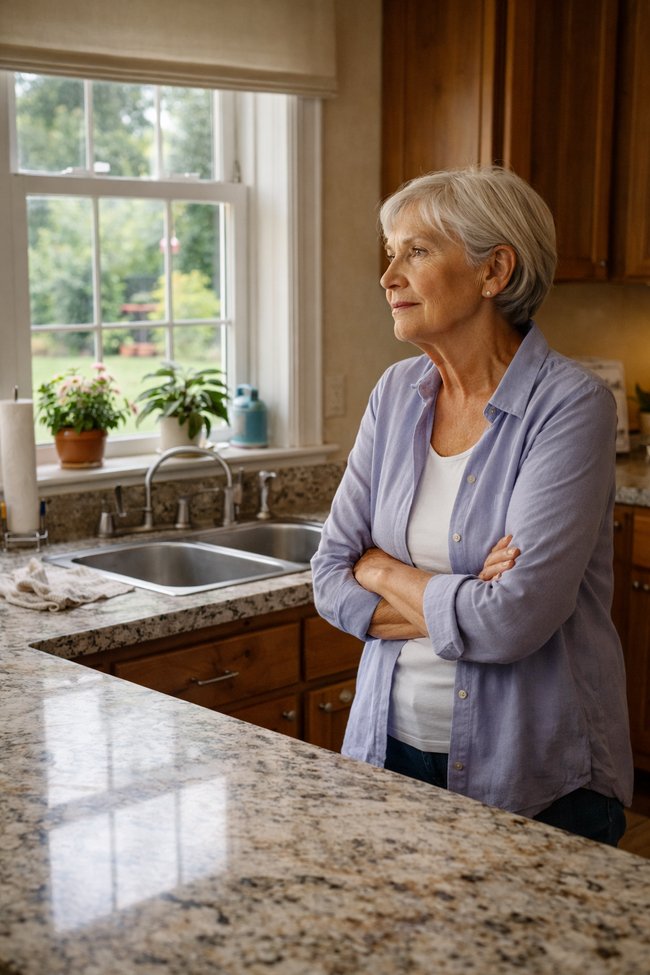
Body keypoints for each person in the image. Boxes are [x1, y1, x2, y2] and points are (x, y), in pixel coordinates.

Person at [311, 165, 633, 846]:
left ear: (495, 272)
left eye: (416, 251)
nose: (387, 275)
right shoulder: (397, 393)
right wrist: (463, 601)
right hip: (387, 751)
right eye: (390, 252)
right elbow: (328, 577)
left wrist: (383, 571)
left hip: (535, 777)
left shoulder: (571, 406)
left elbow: (515, 620)